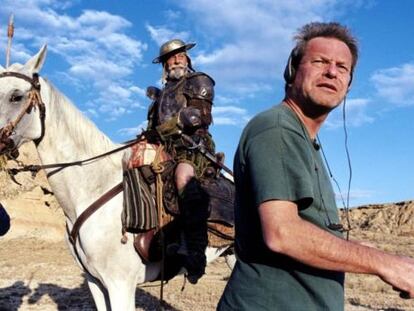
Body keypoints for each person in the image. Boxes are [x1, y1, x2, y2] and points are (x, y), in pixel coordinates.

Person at [218, 22, 414, 310]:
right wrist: (385, 265)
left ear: (349, 83)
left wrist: (379, 255)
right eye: (319, 61)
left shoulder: (303, 138)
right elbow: (283, 232)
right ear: (293, 71)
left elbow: (312, 230)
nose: (332, 72)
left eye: (342, 67)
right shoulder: (276, 129)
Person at [144, 39, 216, 284]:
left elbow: (197, 117)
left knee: (183, 176)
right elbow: (152, 127)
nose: (176, 60)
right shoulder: (160, 95)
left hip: (193, 147)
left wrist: (163, 130)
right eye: (171, 58)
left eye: (180, 55)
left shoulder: (199, 81)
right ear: (164, 64)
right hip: (165, 148)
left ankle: (195, 252)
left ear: (187, 59)